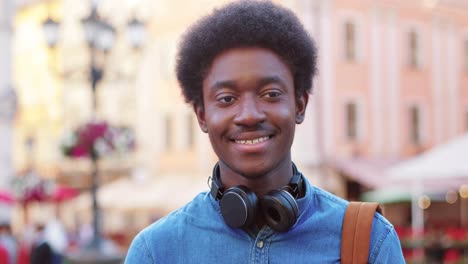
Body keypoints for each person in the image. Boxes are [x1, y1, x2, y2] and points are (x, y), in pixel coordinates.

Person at [125, 1, 405, 263]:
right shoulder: (156, 252)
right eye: (226, 98)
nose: (248, 115)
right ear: (202, 115)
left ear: (299, 105)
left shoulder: (370, 239)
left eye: (270, 94)